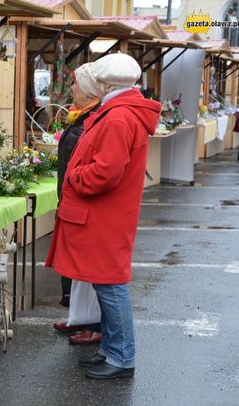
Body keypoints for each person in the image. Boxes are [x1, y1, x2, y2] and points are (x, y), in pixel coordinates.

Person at [47, 53, 161, 380]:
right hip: (109, 214)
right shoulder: (121, 113)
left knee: (111, 287)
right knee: (107, 285)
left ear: (103, 83)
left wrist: (74, 176)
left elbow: (105, 173)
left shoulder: (117, 117)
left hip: (104, 216)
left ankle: (122, 357)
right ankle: (112, 350)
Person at [46, 65, 102, 346]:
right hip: (70, 199)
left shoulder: (90, 121)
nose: (72, 90)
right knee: (76, 268)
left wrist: (74, 183)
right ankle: (78, 318)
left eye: (77, 86)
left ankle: (91, 323)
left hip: (79, 201)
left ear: (89, 92)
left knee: (85, 268)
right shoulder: (79, 117)